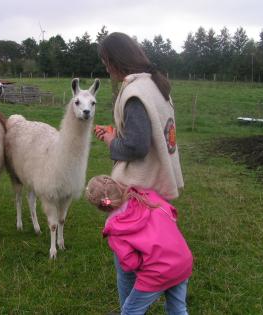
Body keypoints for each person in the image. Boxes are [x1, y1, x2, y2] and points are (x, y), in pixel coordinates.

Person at [94, 32, 187, 314]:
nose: (106, 68)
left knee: (128, 262)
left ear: (114, 60)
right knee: (157, 251)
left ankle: (129, 309)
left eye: (105, 61)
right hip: (156, 190)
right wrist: (119, 134)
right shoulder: (155, 86)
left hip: (138, 192)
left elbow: (136, 146)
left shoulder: (135, 93)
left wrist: (112, 141)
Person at [85, 175, 193, 315]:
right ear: (118, 186)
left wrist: (146, 261)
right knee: (178, 309)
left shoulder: (115, 229)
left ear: (100, 207)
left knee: (130, 311)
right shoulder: (146, 196)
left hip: (157, 272)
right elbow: (171, 212)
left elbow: (131, 264)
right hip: (182, 261)